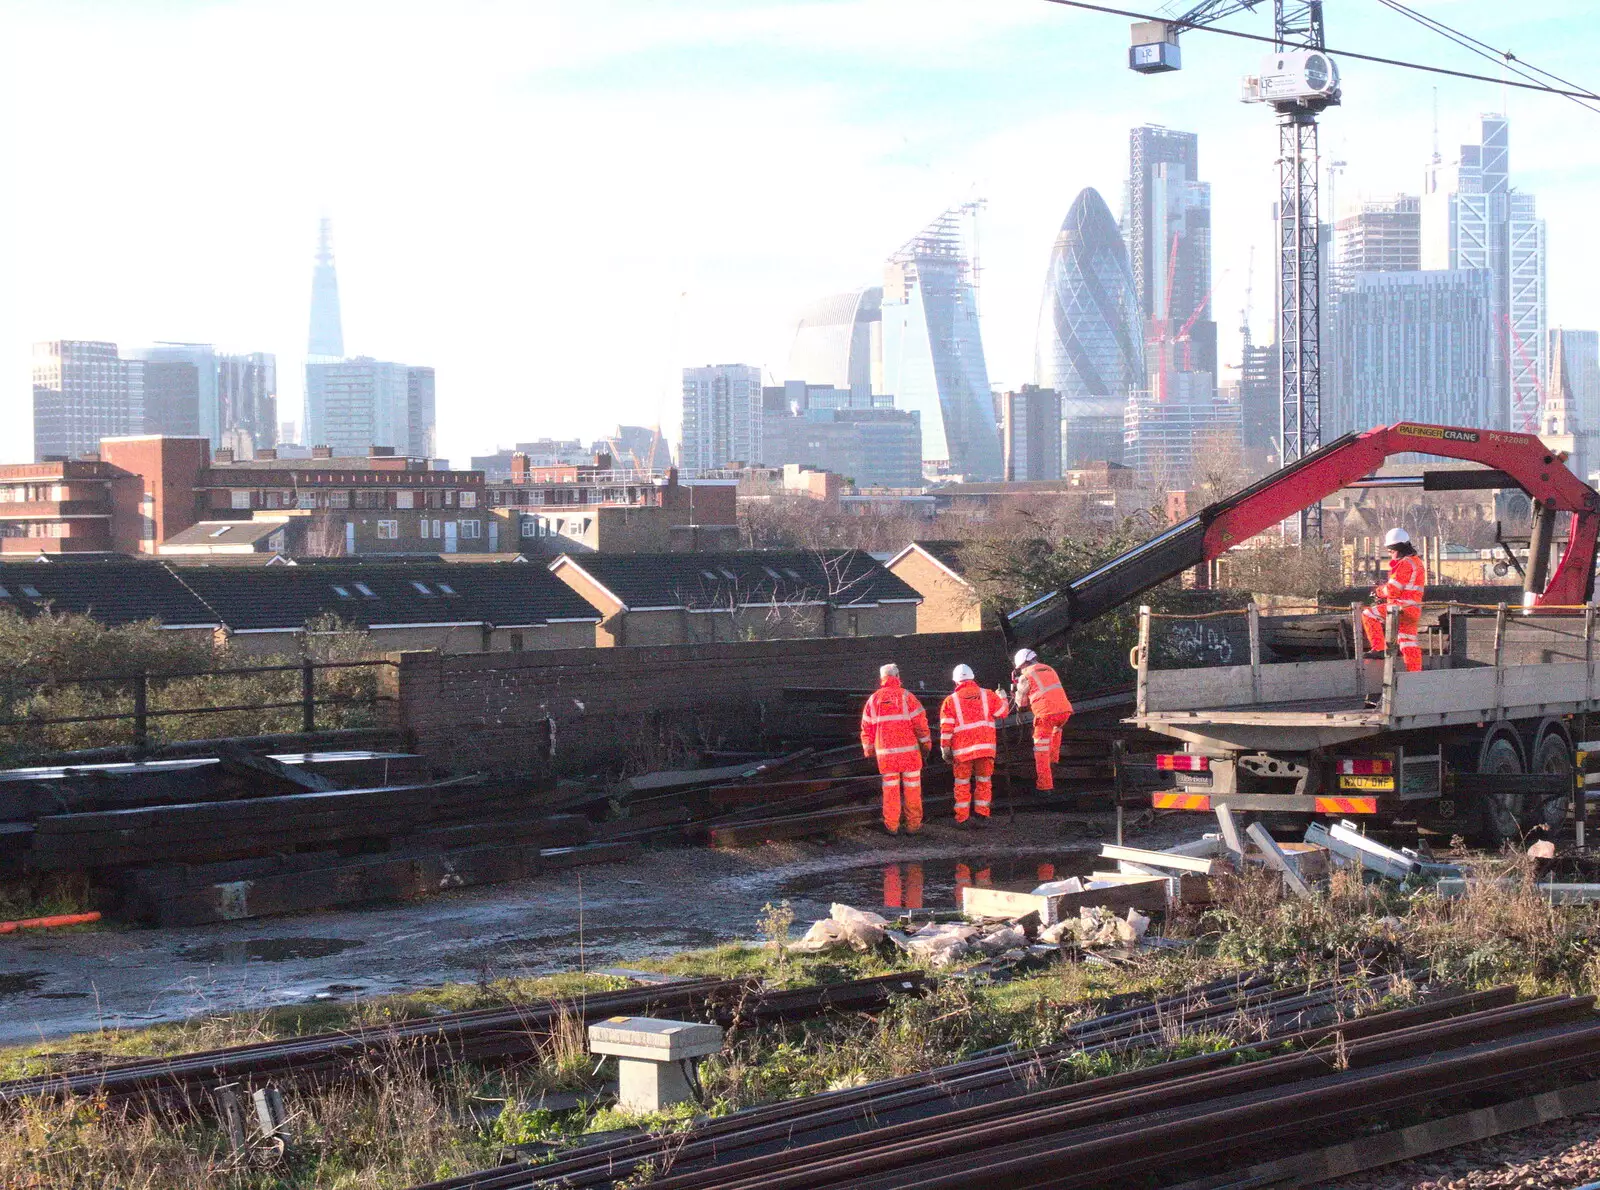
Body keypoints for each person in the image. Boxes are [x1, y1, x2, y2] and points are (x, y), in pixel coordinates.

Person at [860, 663, 931, 834]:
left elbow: (866, 728)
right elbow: (921, 725)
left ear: (881, 679)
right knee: (912, 790)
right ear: (898, 676)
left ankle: (891, 826)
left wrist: (869, 751)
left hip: (887, 757)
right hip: (910, 756)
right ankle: (913, 826)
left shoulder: (874, 700)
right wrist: (927, 745)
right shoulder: (908, 697)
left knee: (890, 792)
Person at [939, 663, 1009, 826]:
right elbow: (1003, 713)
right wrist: (1003, 697)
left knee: (962, 783)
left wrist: (945, 748)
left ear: (956, 682)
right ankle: (982, 815)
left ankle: (962, 818)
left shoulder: (951, 701)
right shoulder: (988, 695)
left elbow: (946, 727)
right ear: (973, 678)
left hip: (962, 751)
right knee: (984, 781)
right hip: (986, 749)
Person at [1362, 527, 1426, 672]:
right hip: (1413, 610)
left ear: (1399, 549)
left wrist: (1378, 592)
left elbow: (1393, 589)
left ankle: (1378, 648)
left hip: (1400, 608)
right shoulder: (1417, 562)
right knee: (1408, 643)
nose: (1390, 556)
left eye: (1391, 552)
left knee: (1368, 614)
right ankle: (1415, 674)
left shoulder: (1404, 564)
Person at [1011, 648, 1073, 792]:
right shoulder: (1049, 669)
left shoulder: (1025, 675)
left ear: (1023, 664)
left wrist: (1017, 694)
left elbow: (1021, 703)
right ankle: (1054, 762)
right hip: (1064, 712)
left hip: (1046, 715)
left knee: (1041, 750)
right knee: (1055, 732)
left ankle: (1045, 787)